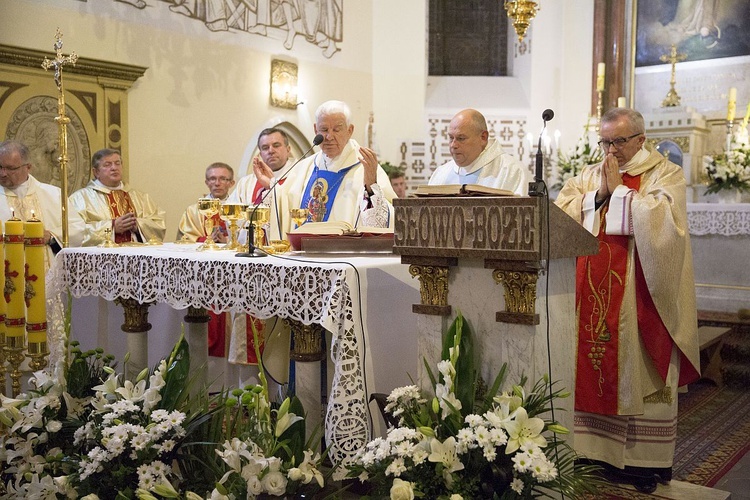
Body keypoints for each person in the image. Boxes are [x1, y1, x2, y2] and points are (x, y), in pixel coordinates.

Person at [555, 108, 700, 493]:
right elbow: (562, 212)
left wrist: (619, 193)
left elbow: (668, 226)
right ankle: (588, 451)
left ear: (640, 138)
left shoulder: (664, 173)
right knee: (589, 364)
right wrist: (600, 194)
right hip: (589, 292)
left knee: (639, 369)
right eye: (605, 141)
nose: (611, 149)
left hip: (640, 297)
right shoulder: (588, 174)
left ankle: (641, 462)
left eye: (619, 141)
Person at [253, 100, 397, 239]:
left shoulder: (365, 166)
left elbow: (385, 220)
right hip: (304, 253)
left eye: (336, 129)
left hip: (346, 257)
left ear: (350, 130)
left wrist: (371, 186)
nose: (329, 136)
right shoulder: (305, 167)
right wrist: (271, 186)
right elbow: (285, 203)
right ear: (316, 130)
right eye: (324, 130)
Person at [0, 140, 84, 268]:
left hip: (47, 275)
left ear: (28, 167)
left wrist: (51, 236)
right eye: (0, 167)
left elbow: (78, 229)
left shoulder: (53, 194)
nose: (3, 174)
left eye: (11, 168)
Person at [69, 148, 166, 246]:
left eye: (117, 163)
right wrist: (112, 227)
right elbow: (73, 232)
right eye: (107, 164)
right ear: (96, 172)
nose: (114, 168)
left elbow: (158, 224)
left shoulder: (141, 197)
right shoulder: (80, 199)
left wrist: (138, 225)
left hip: (138, 256)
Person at [428, 109, 530, 195]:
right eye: (451, 138)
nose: (453, 145)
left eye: (461, 138)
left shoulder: (512, 171)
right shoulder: (441, 174)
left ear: (483, 137)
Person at [228, 128, 294, 205]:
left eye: (276, 145)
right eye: (265, 148)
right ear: (260, 154)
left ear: (288, 149)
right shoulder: (246, 183)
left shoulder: (299, 177)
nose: (271, 151)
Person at [177, 162, 235, 242]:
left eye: (222, 179)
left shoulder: (237, 210)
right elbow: (184, 237)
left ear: (231, 183)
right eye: (212, 179)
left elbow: (245, 237)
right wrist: (207, 240)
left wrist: (227, 241)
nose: (217, 183)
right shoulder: (193, 211)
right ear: (207, 183)